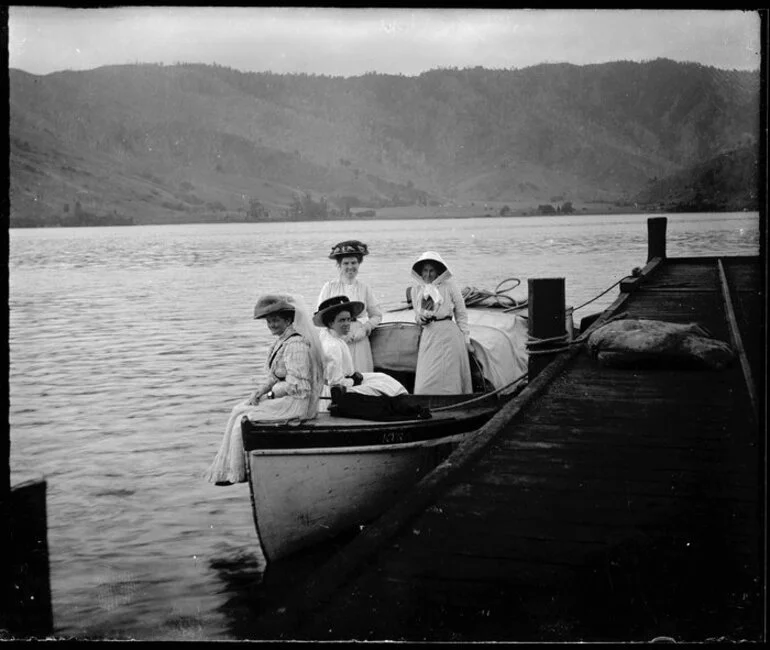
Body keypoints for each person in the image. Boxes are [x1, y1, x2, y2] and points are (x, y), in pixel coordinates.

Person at [205, 293, 325, 485]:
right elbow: (275, 376)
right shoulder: (283, 341)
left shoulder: (296, 345)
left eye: (276, 320)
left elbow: (298, 386)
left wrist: (270, 395)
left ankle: (239, 473)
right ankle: (229, 470)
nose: (271, 325)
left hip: (297, 404)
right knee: (237, 409)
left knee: (242, 421)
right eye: (269, 321)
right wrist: (259, 392)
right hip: (288, 397)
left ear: (287, 320)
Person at [313, 295, 408, 411]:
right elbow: (336, 384)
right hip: (335, 393)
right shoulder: (333, 346)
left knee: (382, 378)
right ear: (331, 323)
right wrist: (354, 380)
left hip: (340, 384)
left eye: (348, 319)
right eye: (342, 320)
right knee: (383, 387)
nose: (347, 324)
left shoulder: (330, 336)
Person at [410, 251, 473, 395]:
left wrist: (466, 340)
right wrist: (421, 319)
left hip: (448, 335)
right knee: (426, 376)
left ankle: (452, 400)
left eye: (432, 270)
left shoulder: (449, 285)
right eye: (425, 270)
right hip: (429, 335)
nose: (428, 274)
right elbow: (417, 315)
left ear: (438, 271)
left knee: (448, 376)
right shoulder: (417, 289)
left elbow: (461, 313)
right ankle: (425, 400)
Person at [317, 240, 382, 373]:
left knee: (361, 375)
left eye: (354, 263)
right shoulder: (329, 287)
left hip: (358, 339)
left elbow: (377, 315)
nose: (350, 267)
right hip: (334, 339)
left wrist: (364, 329)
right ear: (339, 265)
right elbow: (320, 317)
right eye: (346, 263)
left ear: (359, 264)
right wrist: (337, 333)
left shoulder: (364, 288)